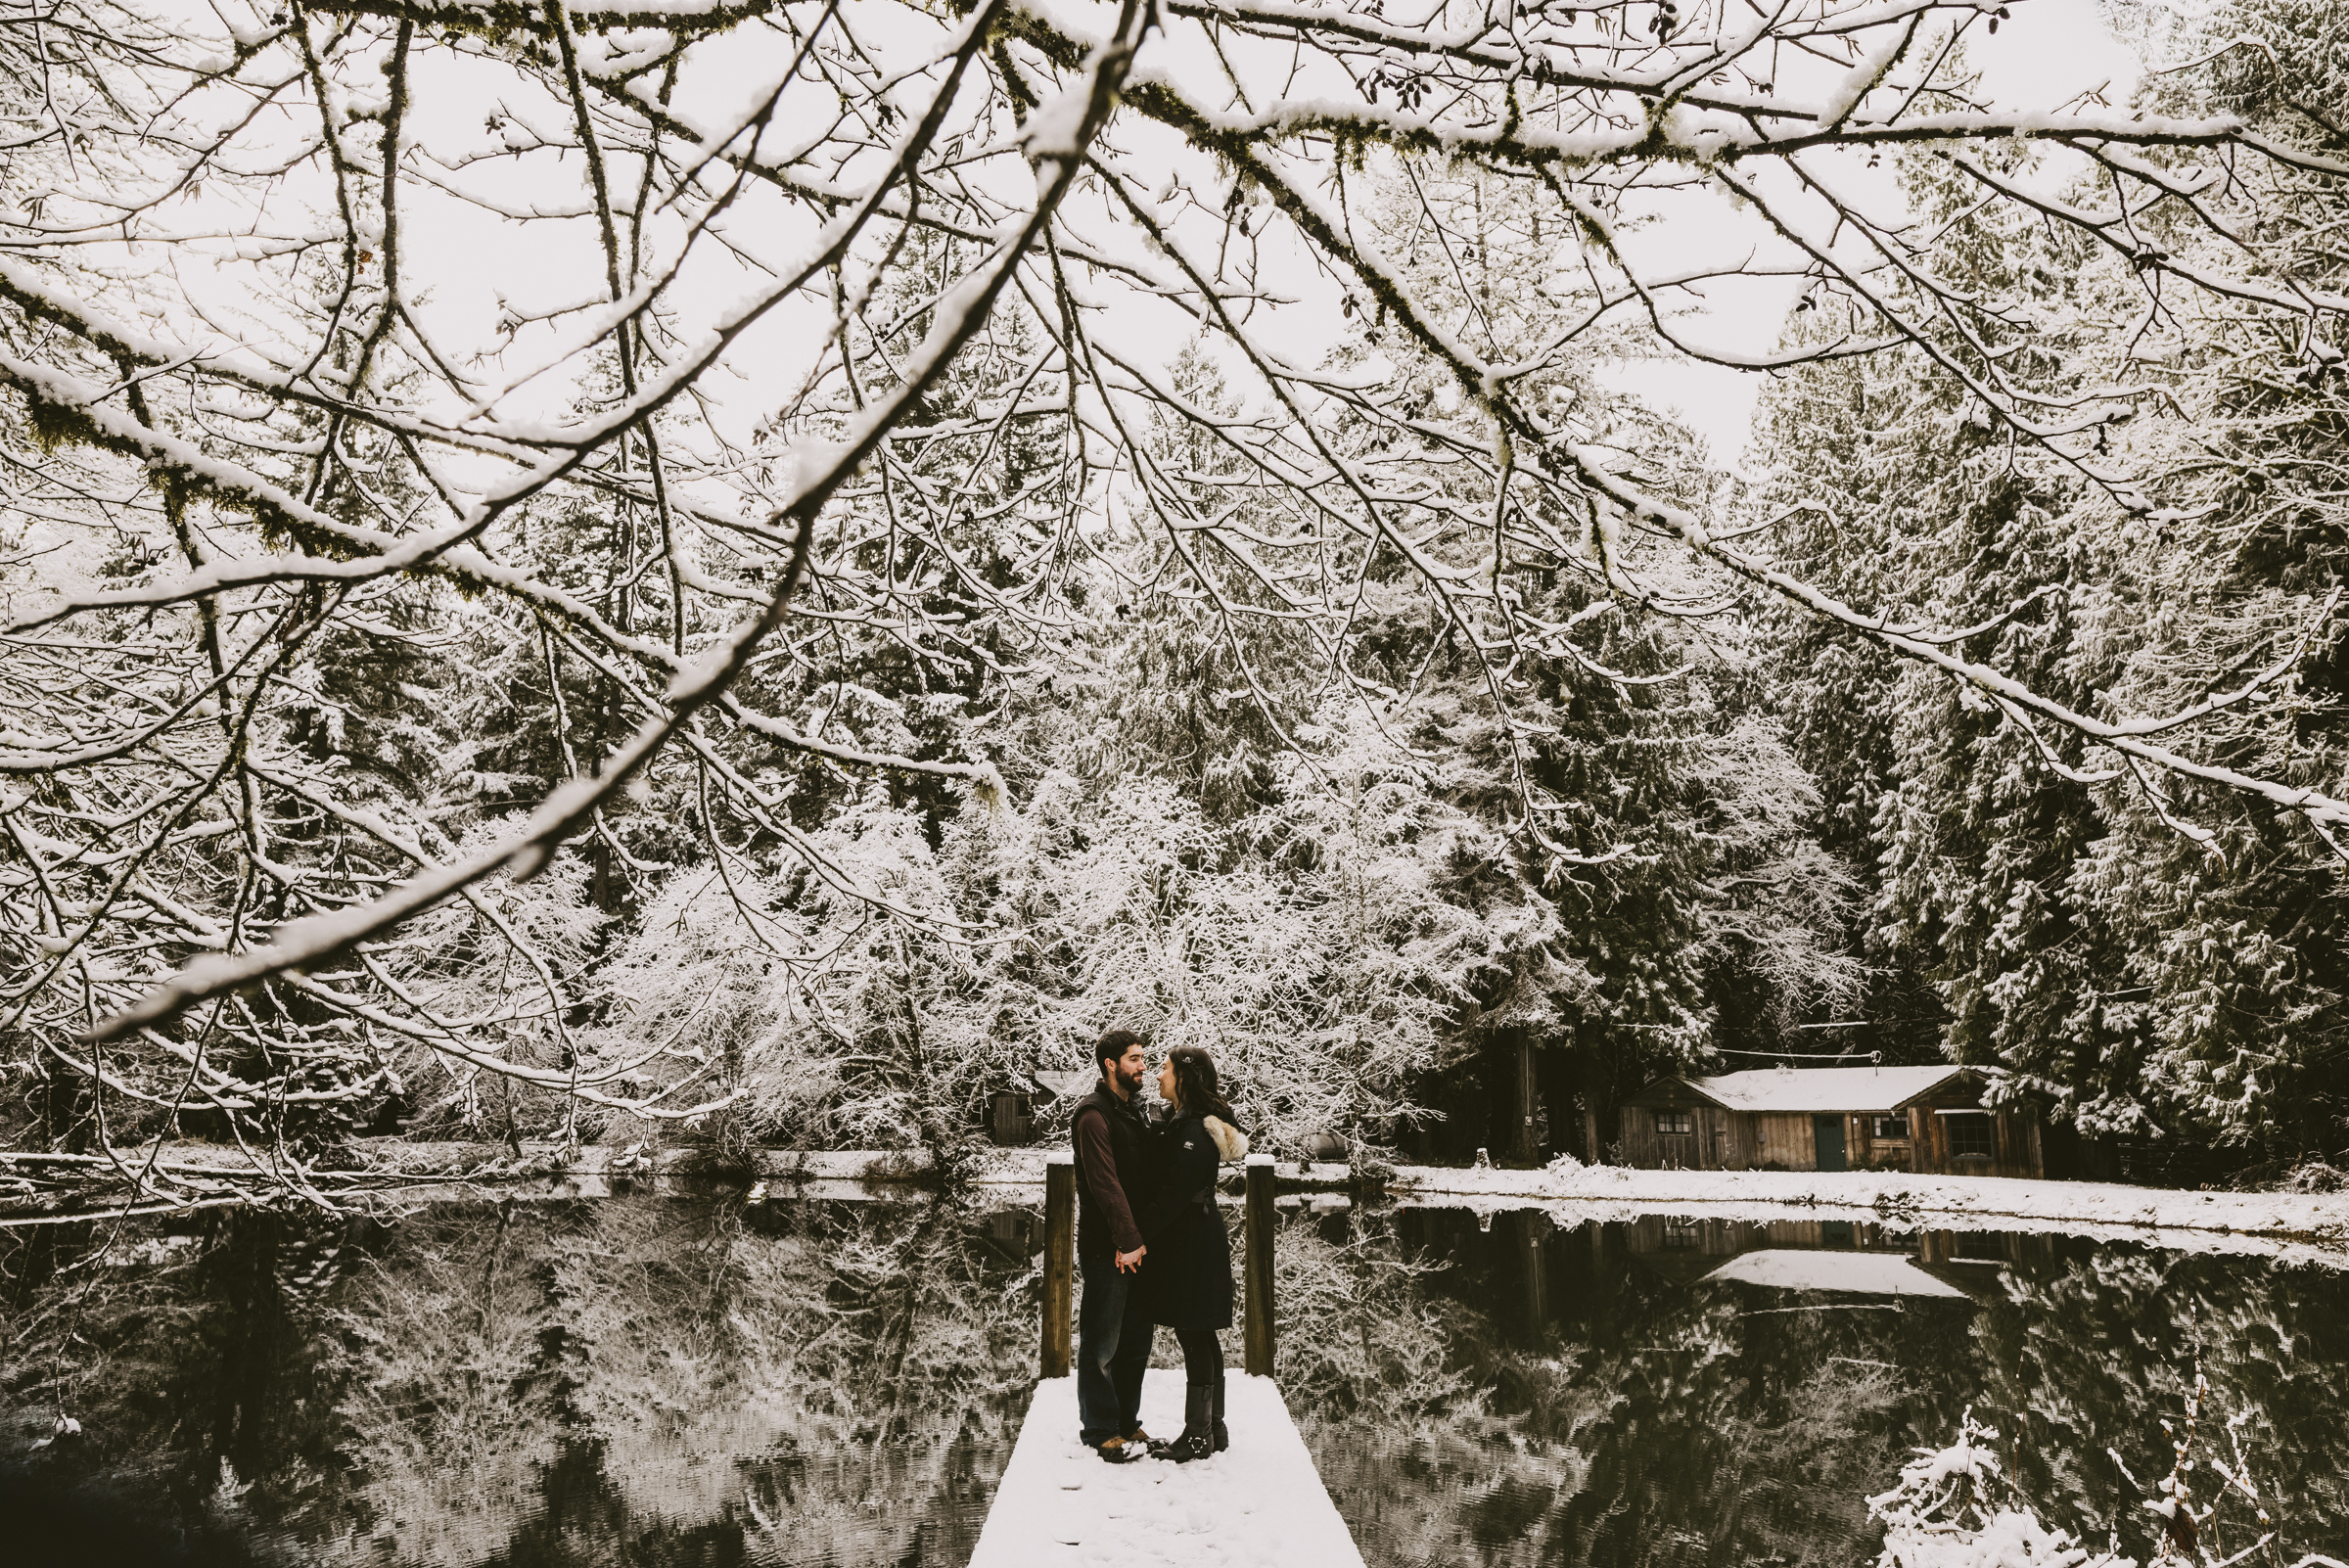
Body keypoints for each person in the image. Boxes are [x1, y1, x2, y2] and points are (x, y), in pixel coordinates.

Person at [1134, 1044, 1248, 1462]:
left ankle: (1199, 1436)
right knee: (1200, 1333)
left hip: (1193, 1242)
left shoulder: (1196, 1131)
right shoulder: (1188, 1124)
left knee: (1194, 1332)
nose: (1157, 1076)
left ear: (1184, 1077)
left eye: (1163, 1069)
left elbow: (1172, 1196)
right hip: (1195, 1236)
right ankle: (1212, 1428)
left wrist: (1133, 1236)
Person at [1069, 1029, 1158, 1463]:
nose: (1143, 1065)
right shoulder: (1092, 1116)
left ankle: (1126, 1419)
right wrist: (1127, 1240)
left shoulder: (1132, 1110)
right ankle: (1100, 1428)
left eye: (1143, 1058)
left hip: (1137, 1247)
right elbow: (1105, 1185)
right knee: (1102, 1341)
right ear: (1110, 1064)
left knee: (1136, 1339)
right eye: (1135, 1059)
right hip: (1111, 1248)